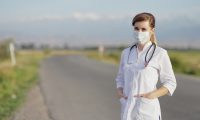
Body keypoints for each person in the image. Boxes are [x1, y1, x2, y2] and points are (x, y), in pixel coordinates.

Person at [115, 12, 177, 120]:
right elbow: (120, 78)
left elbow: (170, 83)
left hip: (147, 111)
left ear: (152, 31)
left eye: (143, 29)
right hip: (127, 108)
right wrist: (120, 92)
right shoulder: (126, 53)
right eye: (136, 28)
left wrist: (152, 95)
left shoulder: (159, 53)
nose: (139, 32)